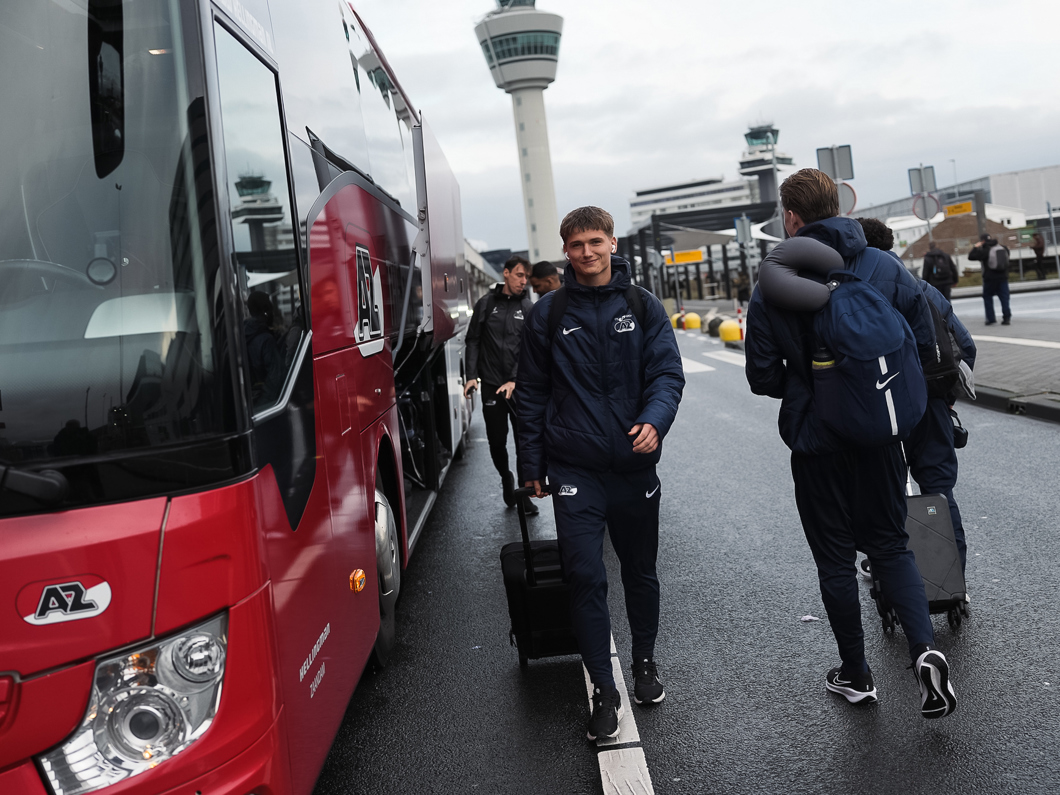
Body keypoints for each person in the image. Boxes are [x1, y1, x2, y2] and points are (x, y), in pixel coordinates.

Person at [745, 169, 957, 720]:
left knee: (835, 559)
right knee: (891, 546)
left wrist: (811, 381)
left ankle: (857, 674)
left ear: (791, 218)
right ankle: (924, 649)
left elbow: (762, 376)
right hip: (880, 433)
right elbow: (924, 343)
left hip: (817, 440)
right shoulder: (884, 266)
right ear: (839, 207)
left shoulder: (772, 282)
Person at [517, 206, 684, 741]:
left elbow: (667, 374)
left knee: (640, 572)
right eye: (575, 245)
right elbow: (531, 394)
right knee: (586, 575)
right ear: (565, 251)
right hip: (575, 469)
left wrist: (655, 421)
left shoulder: (643, 305)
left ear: (612, 243)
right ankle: (604, 691)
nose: (586, 252)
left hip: (634, 466)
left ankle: (644, 664)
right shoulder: (548, 313)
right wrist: (531, 464)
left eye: (594, 241)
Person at [856, 218, 977, 575]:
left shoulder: (854, 292)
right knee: (939, 491)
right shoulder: (923, 289)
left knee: (886, 492)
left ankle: (892, 573)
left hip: (880, 407)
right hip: (930, 403)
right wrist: (947, 398)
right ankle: (952, 579)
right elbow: (965, 347)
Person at [464, 256, 537, 513]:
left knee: (523, 443)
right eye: (519, 275)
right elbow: (473, 340)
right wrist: (471, 375)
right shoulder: (485, 304)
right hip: (491, 385)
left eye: (526, 277)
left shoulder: (528, 308)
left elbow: (532, 349)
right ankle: (506, 477)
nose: (523, 281)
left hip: (519, 387)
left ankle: (523, 494)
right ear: (506, 273)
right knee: (497, 442)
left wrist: (515, 380)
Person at [968, 233, 1011, 325]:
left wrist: (975, 247)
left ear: (982, 241)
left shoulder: (985, 250)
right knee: (1004, 298)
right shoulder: (1002, 247)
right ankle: (1006, 317)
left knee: (987, 297)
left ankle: (991, 319)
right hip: (1003, 277)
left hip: (989, 278)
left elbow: (971, 257)